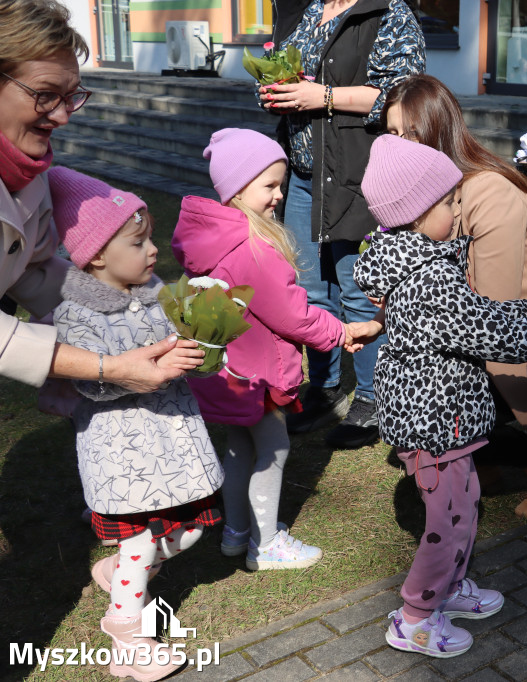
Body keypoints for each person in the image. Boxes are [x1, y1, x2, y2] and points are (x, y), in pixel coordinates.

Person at [354, 135, 527, 657]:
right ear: (420, 212)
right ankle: (415, 616)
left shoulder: (429, 266)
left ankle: (448, 589)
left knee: (465, 510)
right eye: (449, 202)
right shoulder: (428, 283)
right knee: (446, 524)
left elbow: (495, 315)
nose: (458, 208)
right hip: (433, 425)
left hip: (450, 417)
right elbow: (495, 332)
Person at [381, 74, 527, 519]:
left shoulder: (487, 190)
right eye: (392, 134)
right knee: (417, 380)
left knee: (437, 392)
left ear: (439, 129)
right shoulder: (425, 193)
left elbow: (493, 308)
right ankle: (477, 461)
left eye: (411, 133)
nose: (400, 145)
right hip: (482, 328)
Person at [49, 167, 224, 682]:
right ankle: (126, 634)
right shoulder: (76, 313)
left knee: (188, 528)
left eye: (150, 239)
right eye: (139, 241)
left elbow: (177, 341)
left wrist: (203, 335)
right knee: (143, 537)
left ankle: (118, 573)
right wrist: (138, 373)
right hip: (124, 451)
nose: (153, 251)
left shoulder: (155, 294)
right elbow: (89, 382)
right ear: (98, 254)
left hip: (175, 439)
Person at [173, 129, 374, 570]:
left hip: (226, 372)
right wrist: (341, 332)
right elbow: (293, 315)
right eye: (269, 185)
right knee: (275, 448)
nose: (279, 195)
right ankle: (265, 546)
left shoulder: (213, 237)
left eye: (280, 184)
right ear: (237, 187)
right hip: (255, 375)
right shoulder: (253, 249)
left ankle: (235, 532)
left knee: (239, 447)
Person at [0, 0, 203, 393]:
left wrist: (149, 303)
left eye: (71, 95)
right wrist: (107, 367)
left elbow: (32, 271)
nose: (62, 117)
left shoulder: (30, 175)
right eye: (44, 94)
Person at [258, 0, 424, 447]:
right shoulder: (308, 11)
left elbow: (405, 95)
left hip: (358, 174)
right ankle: (324, 389)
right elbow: (293, 75)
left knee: (358, 290)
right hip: (305, 176)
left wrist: (324, 97)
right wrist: (278, 92)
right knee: (309, 289)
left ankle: (372, 401)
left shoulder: (386, 13)